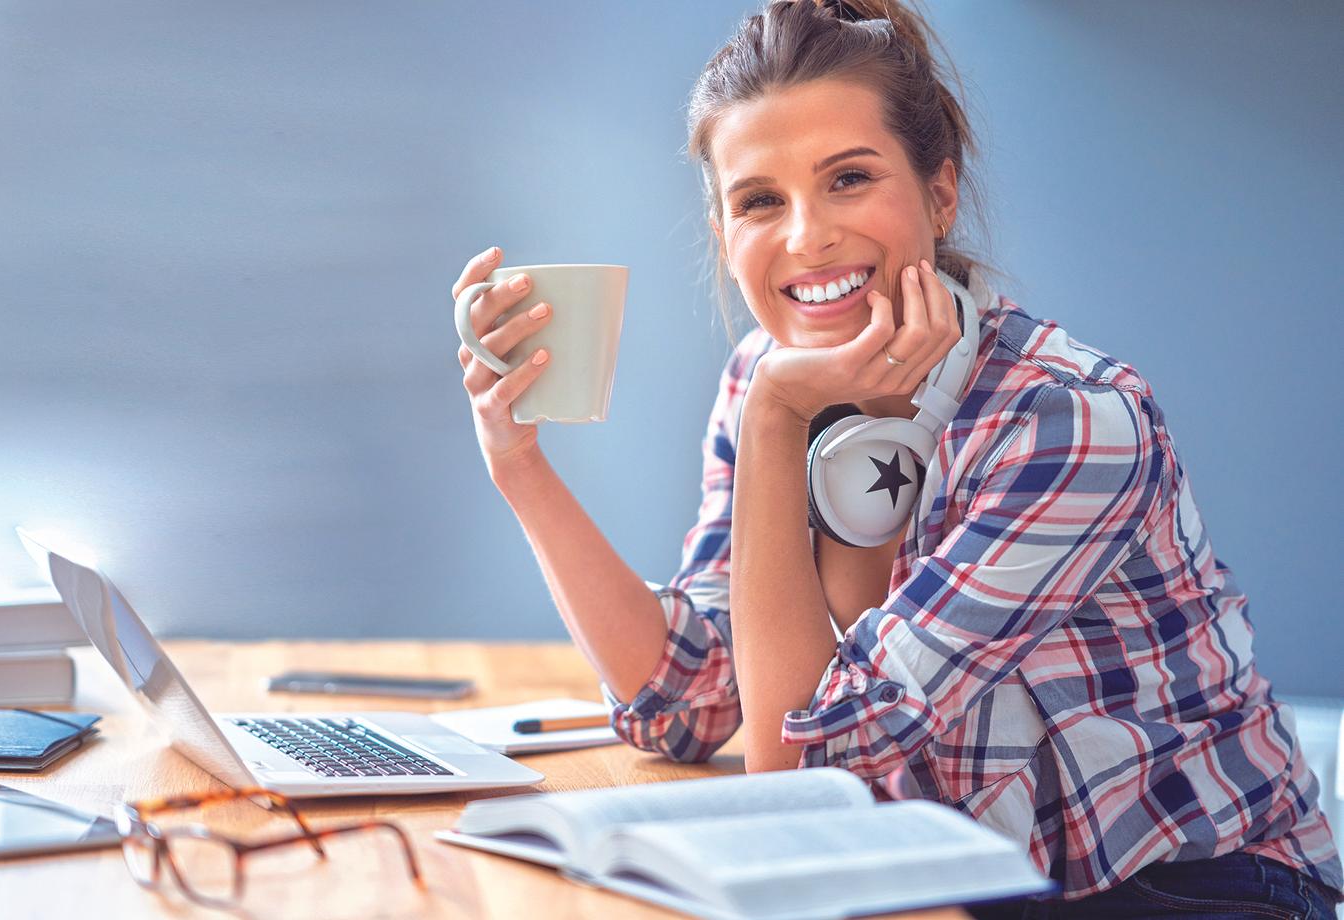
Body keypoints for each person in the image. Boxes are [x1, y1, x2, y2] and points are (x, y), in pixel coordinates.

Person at [452, 1, 1341, 915]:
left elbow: (793, 770)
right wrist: (519, 466)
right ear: (723, 233)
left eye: (848, 178)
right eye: (761, 200)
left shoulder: (1067, 421)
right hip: (960, 878)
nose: (806, 235)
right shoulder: (766, 377)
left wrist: (774, 421)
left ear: (940, 193)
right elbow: (687, 700)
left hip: (1195, 890)